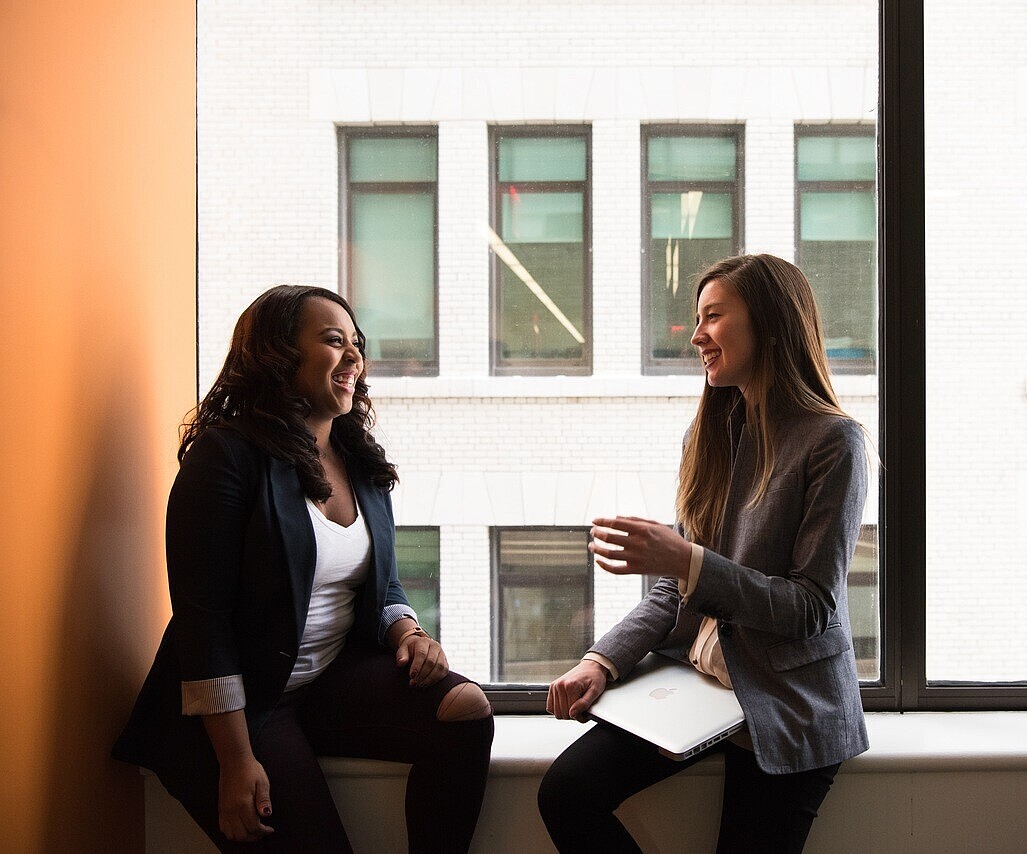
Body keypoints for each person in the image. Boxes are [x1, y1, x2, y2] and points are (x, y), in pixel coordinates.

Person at [113, 286, 494, 853]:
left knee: (465, 711)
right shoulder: (225, 456)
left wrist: (409, 632)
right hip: (238, 710)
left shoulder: (358, 459)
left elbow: (381, 583)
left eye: (357, 346)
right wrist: (236, 761)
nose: (354, 358)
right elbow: (203, 620)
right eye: (334, 341)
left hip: (322, 680)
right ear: (276, 353)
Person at [538, 254, 869, 854]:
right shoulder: (709, 435)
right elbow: (674, 591)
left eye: (713, 317)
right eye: (697, 319)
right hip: (703, 686)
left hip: (788, 703)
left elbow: (812, 608)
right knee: (565, 793)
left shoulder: (833, 442)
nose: (696, 336)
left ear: (768, 323)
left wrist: (686, 562)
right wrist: (601, 662)